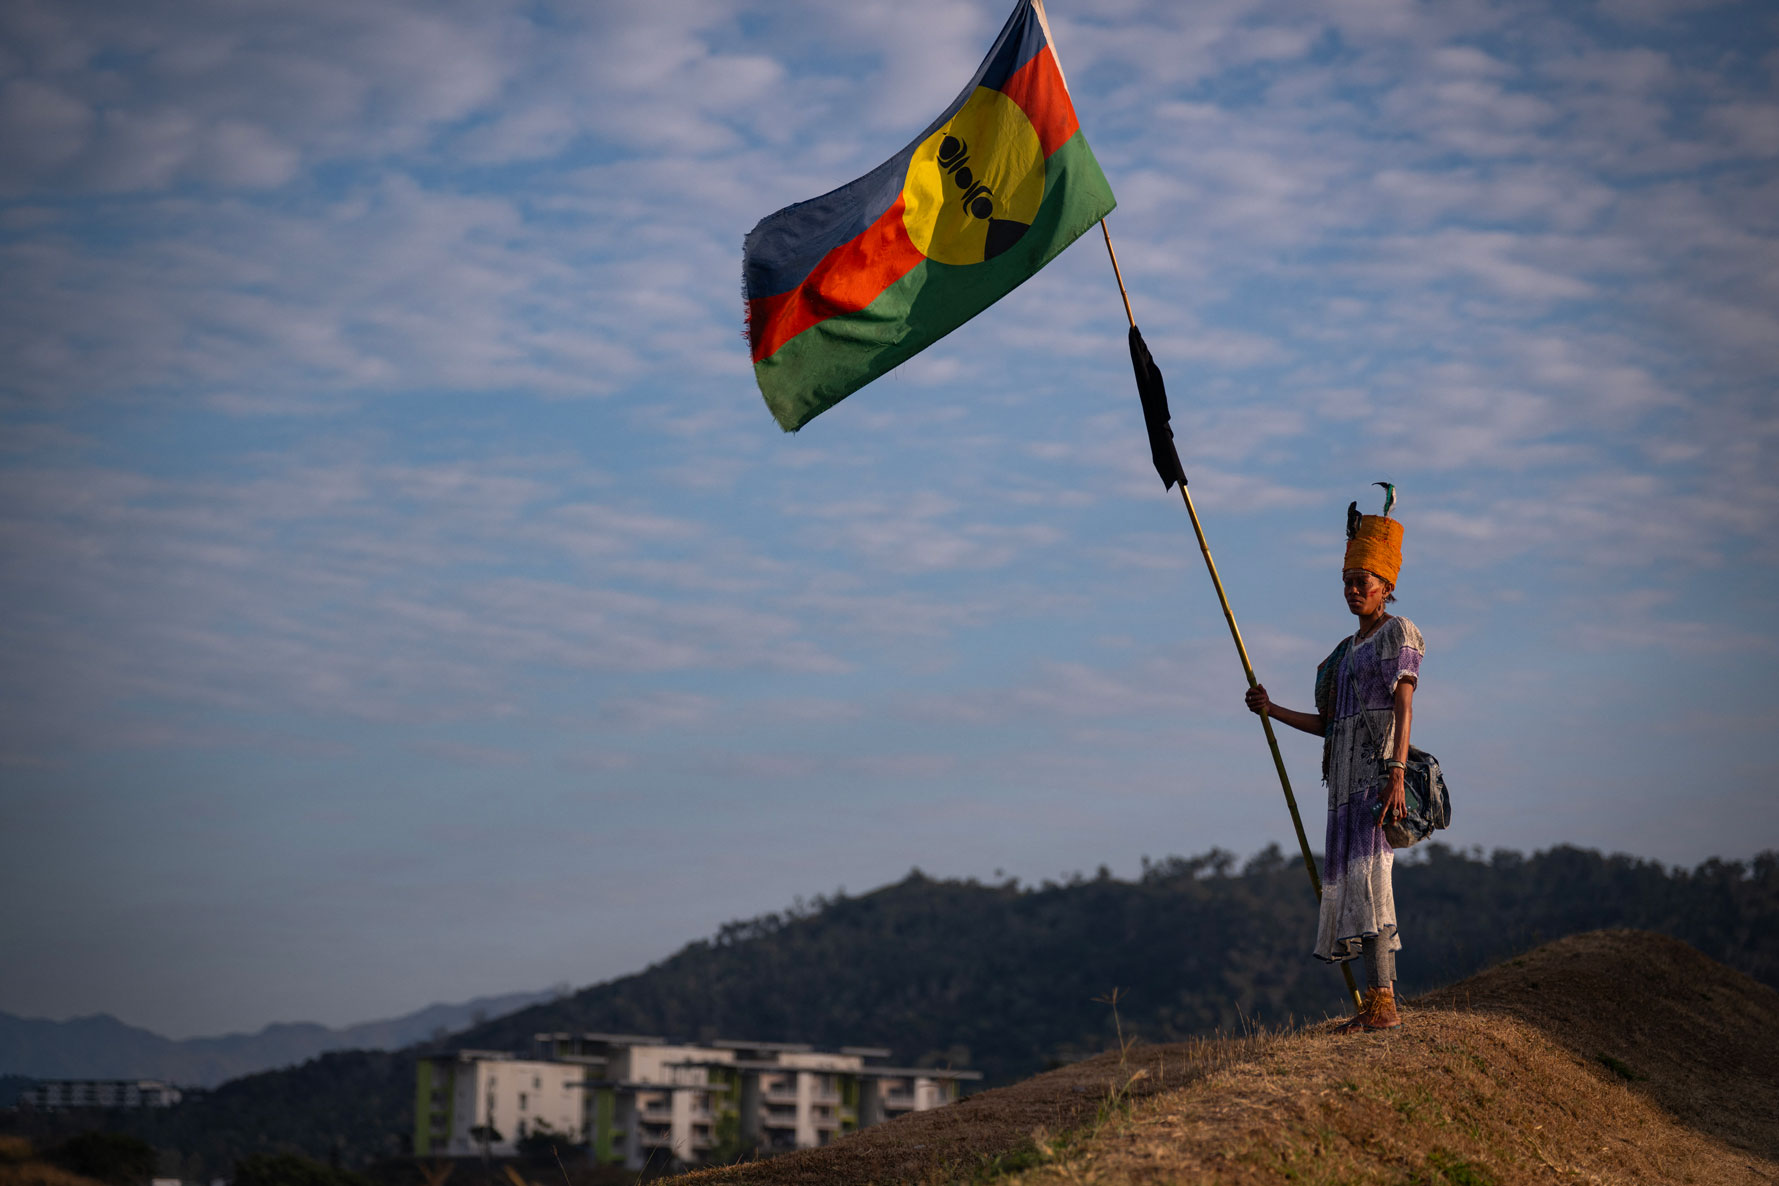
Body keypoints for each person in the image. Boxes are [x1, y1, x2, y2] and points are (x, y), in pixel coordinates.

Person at [1244, 503, 1423, 1032]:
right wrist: (1270, 709)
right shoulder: (1344, 653)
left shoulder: (1399, 634)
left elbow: (1404, 705)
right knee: (1354, 888)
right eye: (1346, 581)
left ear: (1385, 585)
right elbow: (1330, 724)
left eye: (1361, 580)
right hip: (1342, 786)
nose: (1352, 589)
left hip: (1375, 779)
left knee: (1373, 884)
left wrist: (1395, 771)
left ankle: (1383, 1002)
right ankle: (1374, 1002)